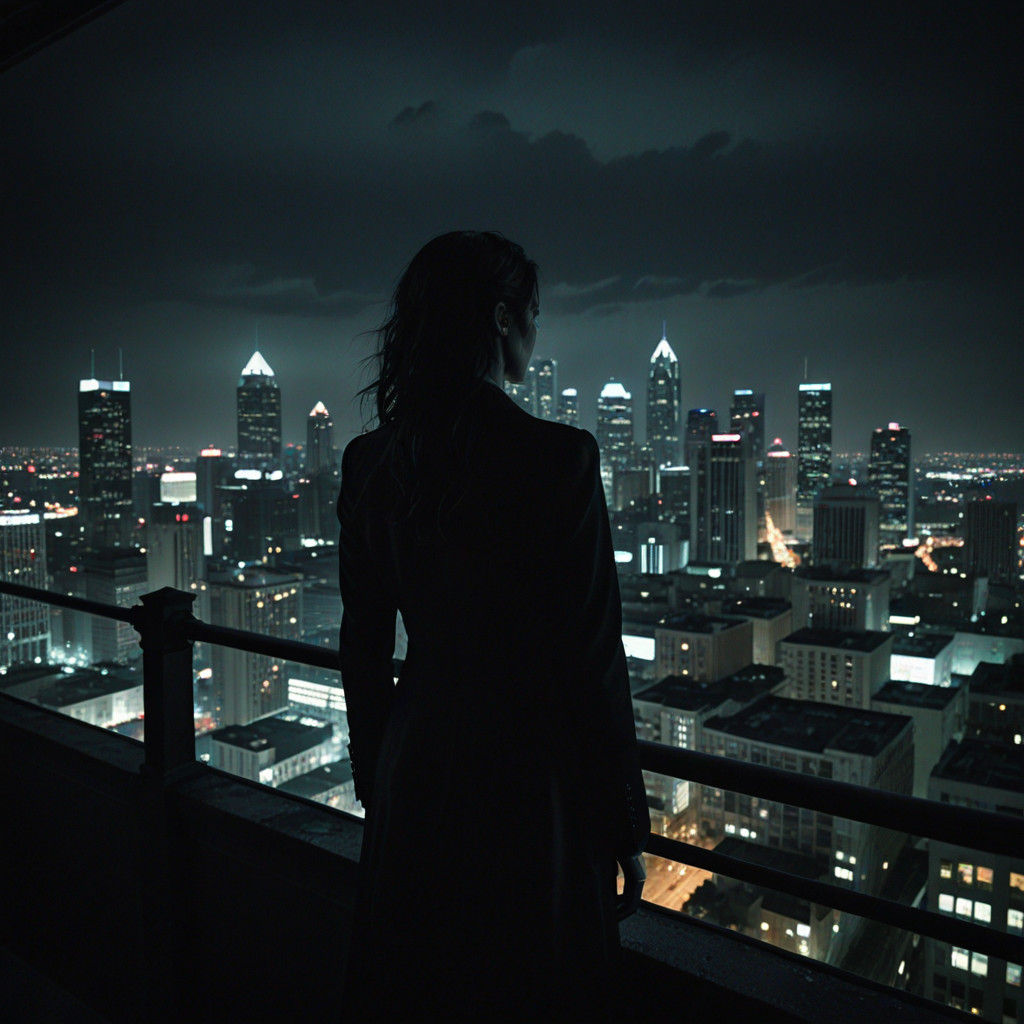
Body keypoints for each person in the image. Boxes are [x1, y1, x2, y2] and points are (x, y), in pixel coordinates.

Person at [337, 231, 649, 1022]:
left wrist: (379, 771)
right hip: (526, 781)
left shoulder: (371, 462)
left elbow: (364, 646)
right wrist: (622, 821)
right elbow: (591, 662)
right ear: (503, 317)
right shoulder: (559, 459)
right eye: (533, 314)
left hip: (416, 767)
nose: (535, 332)